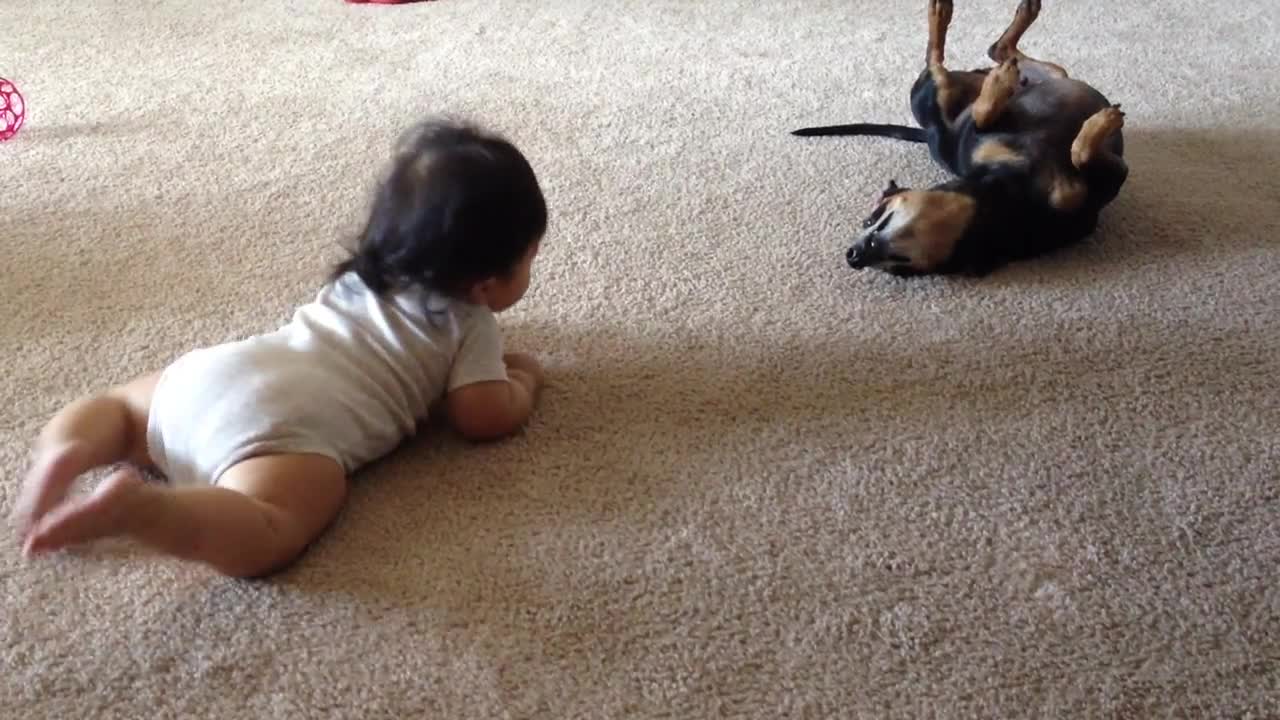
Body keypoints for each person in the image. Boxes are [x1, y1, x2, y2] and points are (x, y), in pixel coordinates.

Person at [10, 118, 548, 578]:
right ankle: (147, 514)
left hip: (217, 374)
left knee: (121, 409)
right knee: (272, 523)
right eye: (529, 259)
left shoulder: (362, 278)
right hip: (281, 431)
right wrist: (523, 379)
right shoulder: (470, 323)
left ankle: (65, 452)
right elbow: (482, 416)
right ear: (484, 284)